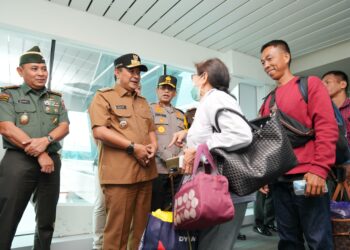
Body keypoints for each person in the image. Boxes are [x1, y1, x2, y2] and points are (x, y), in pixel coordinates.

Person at [259, 40, 338, 249]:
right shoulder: (267, 101)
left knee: (318, 239)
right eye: (262, 62)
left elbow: (326, 127)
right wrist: (264, 175)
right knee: (288, 240)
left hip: (307, 177)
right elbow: (265, 143)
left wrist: (320, 170)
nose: (266, 65)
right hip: (279, 181)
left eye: (269, 58)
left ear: (286, 57)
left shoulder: (309, 84)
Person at [169, 58, 254, 249]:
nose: (192, 81)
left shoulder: (216, 98)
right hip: (213, 189)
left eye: (194, 77)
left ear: (204, 77)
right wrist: (188, 134)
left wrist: (199, 148)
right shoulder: (210, 101)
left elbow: (241, 134)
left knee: (215, 245)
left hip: (224, 190)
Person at [0, 46, 70, 250]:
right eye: (34, 68)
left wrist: (47, 140)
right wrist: (40, 153)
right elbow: (6, 127)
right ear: (21, 71)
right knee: (7, 217)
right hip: (18, 161)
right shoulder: (8, 95)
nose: (41, 73)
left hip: (51, 161)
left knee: (46, 221)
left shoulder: (55, 98)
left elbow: (64, 126)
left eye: (43, 68)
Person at [88, 53, 157, 250]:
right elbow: (99, 130)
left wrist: (154, 146)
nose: (136, 76)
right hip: (121, 176)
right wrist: (132, 147)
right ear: (117, 72)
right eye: (131, 71)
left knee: (140, 231)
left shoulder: (143, 101)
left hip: (145, 173)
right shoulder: (103, 97)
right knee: (117, 232)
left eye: (138, 72)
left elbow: (151, 130)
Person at [91, 82, 142, 250]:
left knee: (131, 215)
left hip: (135, 166)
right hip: (108, 164)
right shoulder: (104, 98)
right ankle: (98, 244)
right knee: (102, 206)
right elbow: (99, 135)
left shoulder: (140, 105)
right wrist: (130, 145)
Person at [150, 75, 187, 211]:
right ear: (157, 90)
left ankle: (170, 233)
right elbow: (150, 138)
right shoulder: (150, 110)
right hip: (158, 170)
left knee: (175, 209)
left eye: (170, 89)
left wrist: (180, 160)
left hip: (177, 172)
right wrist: (170, 159)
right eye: (163, 88)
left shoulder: (181, 115)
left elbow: (184, 141)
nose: (166, 91)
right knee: (155, 210)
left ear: (175, 93)